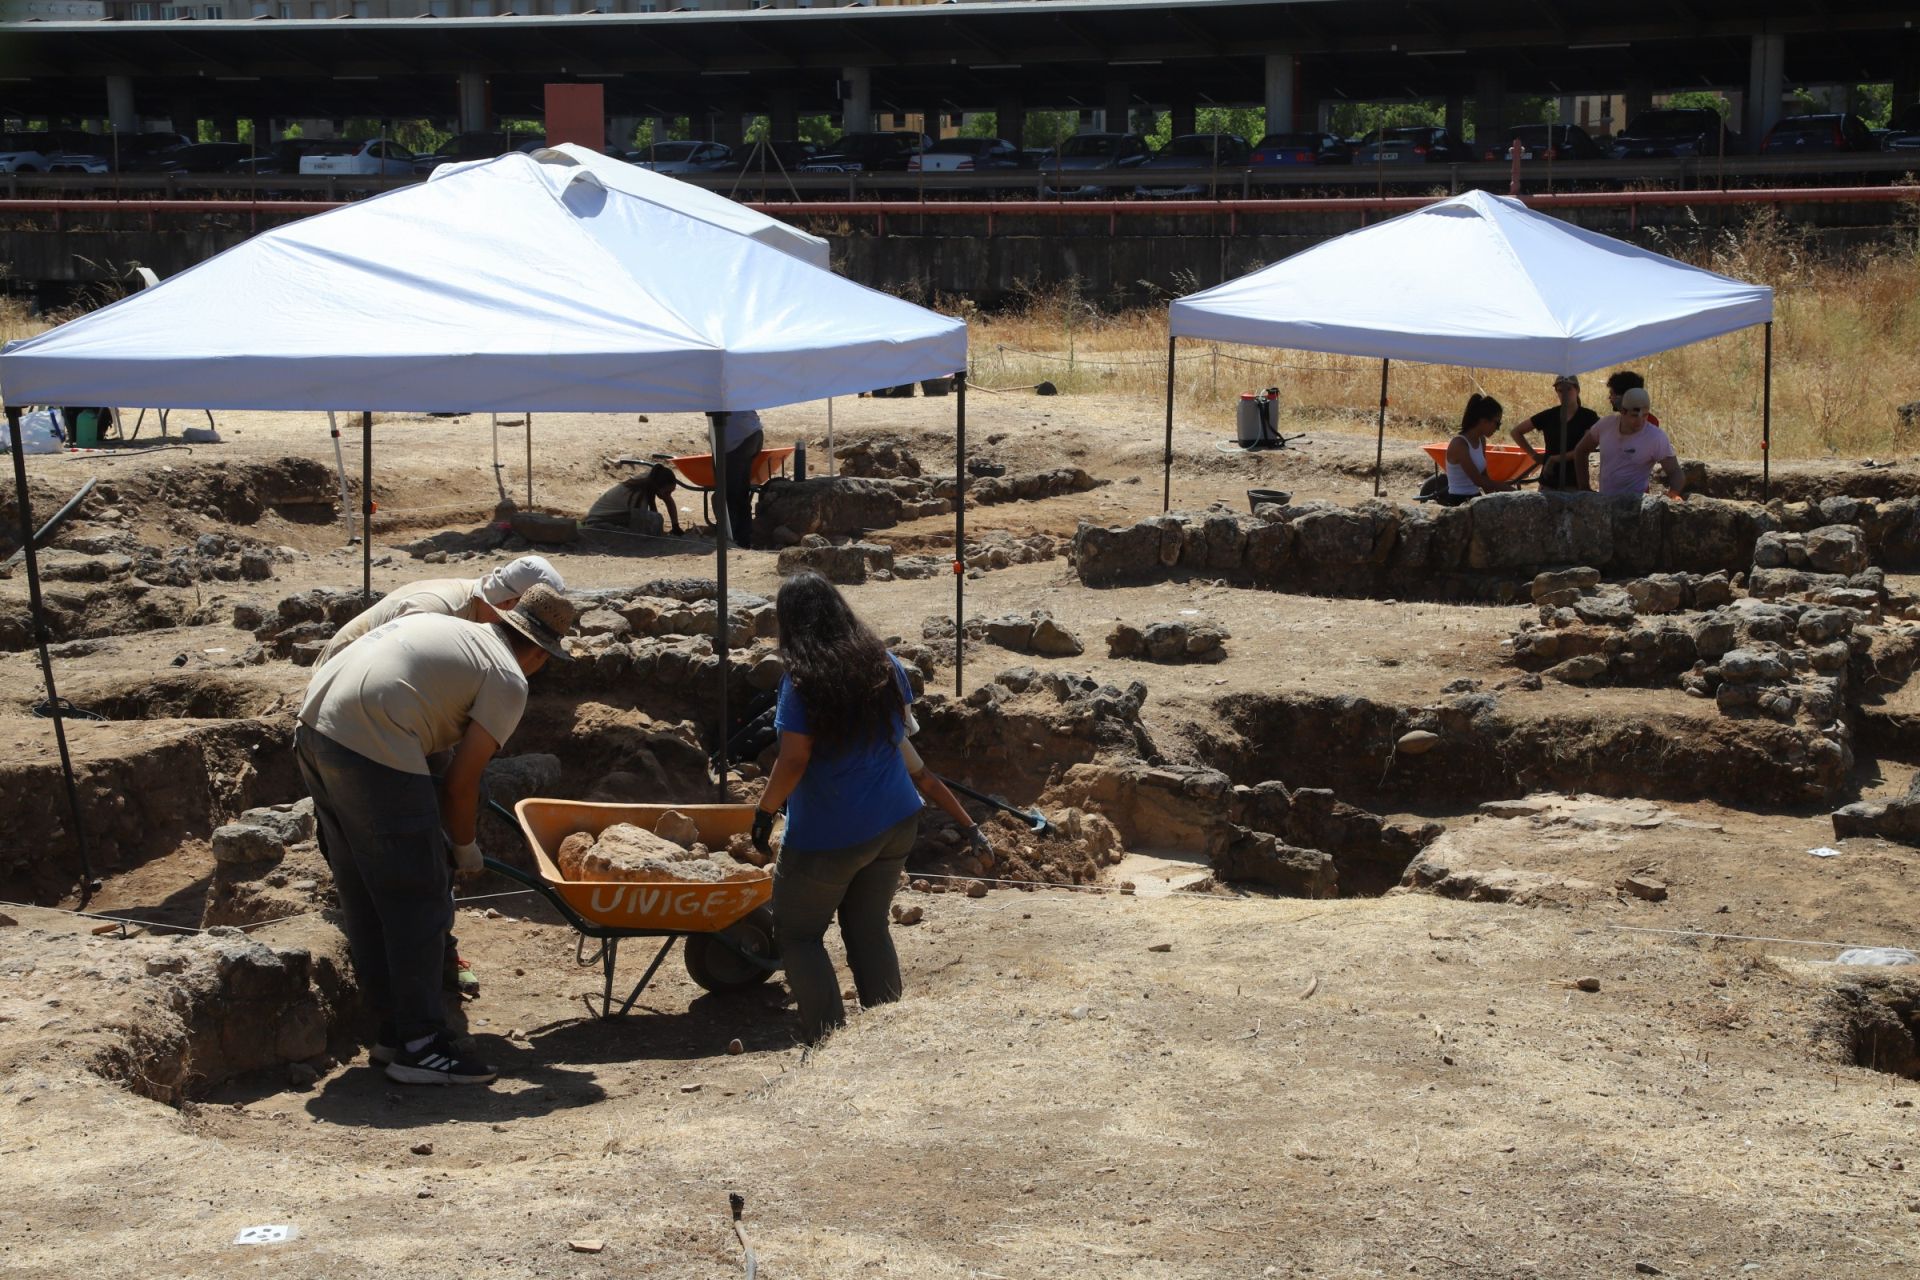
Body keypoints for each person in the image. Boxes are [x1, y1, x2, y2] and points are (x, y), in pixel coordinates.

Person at [295, 584, 579, 1086]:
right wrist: (465, 849)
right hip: (371, 741)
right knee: (421, 895)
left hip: (315, 731)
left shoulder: (457, 631)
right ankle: (423, 1045)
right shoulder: (509, 677)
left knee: (366, 895)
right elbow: (461, 783)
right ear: (538, 651)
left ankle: (395, 1034)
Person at [750, 571, 941, 1043]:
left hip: (830, 835)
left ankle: (829, 1044)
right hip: (896, 819)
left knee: (797, 934)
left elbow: (794, 758)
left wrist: (764, 811)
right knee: (868, 927)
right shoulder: (884, 662)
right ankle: (886, 1037)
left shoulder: (802, 681)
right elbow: (899, 733)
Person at [314, 556, 565, 669]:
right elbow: (394, 665)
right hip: (340, 676)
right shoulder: (438, 610)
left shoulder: (472, 609)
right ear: (511, 603)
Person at [1572, 386, 1684, 499]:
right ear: (1623, 411)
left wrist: (1673, 494)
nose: (1640, 421)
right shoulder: (1605, 425)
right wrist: (1584, 488)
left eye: (1645, 415)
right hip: (1605, 503)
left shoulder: (1656, 437)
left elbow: (1675, 471)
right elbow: (1581, 451)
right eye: (1634, 415)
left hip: (1636, 506)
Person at [1511, 374, 1598, 491]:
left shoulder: (1588, 416)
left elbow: (1585, 449)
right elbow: (1516, 432)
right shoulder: (1549, 415)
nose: (1564, 394)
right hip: (1548, 481)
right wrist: (1533, 455)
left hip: (1575, 482)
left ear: (1577, 390)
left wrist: (1555, 459)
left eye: (1568, 389)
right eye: (1560, 390)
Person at [1438, 394, 1516, 507]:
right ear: (1483, 421)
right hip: (1458, 502)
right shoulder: (1459, 444)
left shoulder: (1481, 440)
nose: (1497, 429)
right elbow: (1478, 480)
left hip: (1475, 497)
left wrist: (1494, 499)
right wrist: (1507, 489)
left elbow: (1485, 477)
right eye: (1497, 423)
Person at [710, 408, 764, 550]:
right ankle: (744, 538)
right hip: (753, 432)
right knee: (741, 491)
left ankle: (733, 538)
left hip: (737, 438)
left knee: (731, 494)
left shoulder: (715, 390)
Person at [584, 464, 681, 537]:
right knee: (655, 520)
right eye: (667, 492)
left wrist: (675, 526)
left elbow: (668, 500)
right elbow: (641, 523)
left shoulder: (653, 478)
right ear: (657, 486)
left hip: (612, 516)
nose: (669, 496)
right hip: (598, 521)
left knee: (655, 519)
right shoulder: (638, 492)